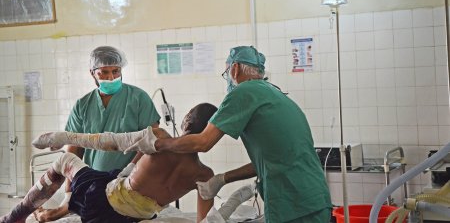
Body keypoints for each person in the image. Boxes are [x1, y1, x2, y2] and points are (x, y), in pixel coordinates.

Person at [129, 46, 332, 222]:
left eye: (226, 72)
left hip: (293, 203)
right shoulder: (275, 95)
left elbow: (203, 142)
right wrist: (223, 179)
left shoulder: (244, 92)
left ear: (234, 69)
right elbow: (271, 159)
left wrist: (158, 144)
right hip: (313, 197)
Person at [1, 103, 217, 223]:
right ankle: (57, 211)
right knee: (114, 175)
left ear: (186, 120)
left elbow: (111, 142)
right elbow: (204, 221)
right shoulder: (204, 175)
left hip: (100, 202)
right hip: (131, 218)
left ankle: (15, 217)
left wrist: (63, 137)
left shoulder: (161, 137)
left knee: (65, 160)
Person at [45, 46, 161, 221]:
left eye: (116, 71)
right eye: (104, 73)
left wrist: (130, 171)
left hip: (132, 183)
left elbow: (153, 139)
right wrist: (69, 193)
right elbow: (74, 150)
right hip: (93, 186)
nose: (111, 77)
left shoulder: (138, 98)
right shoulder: (83, 105)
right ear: (92, 73)